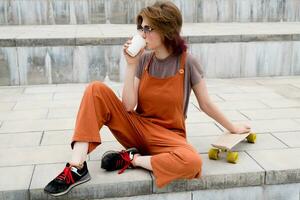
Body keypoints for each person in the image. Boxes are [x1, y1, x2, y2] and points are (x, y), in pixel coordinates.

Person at [44, 1, 251, 197]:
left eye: (148, 29)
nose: (142, 34)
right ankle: (77, 167)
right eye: (141, 28)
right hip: (138, 128)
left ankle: (133, 159)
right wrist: (131, 65)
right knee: (95, 89)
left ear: (166, 30)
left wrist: (232, 128)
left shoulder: (188, 62)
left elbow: (206, 104)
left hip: (168, 137)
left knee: (193, 161)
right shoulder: (143, 60)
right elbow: (127, 105)